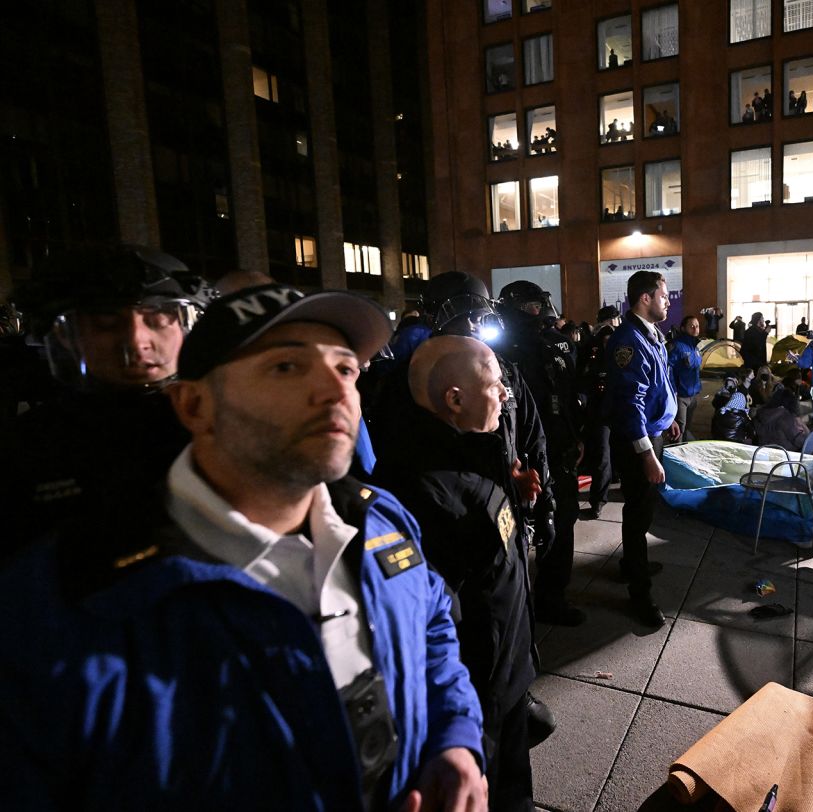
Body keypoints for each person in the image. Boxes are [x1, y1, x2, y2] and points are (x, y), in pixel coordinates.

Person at [1, 284, 489, 809]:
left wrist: (454, 739)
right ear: (194, 405)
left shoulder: (379, 520)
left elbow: (431, 622)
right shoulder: (69, 600)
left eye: (346, 368)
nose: (335, 391)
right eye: (286, 367)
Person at [374, 336, 540, 810]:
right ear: (455, 399)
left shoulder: (475, 450)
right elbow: (437, 622)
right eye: (496, 383)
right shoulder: (420, 492)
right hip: (475, 700)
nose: (506, 393)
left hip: (507, 674)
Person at [4, 245, 210, 549]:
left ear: (185, 325)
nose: (136, 341)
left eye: (159, 318)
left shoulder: (228, 426)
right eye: (105, 321)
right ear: (64, 334)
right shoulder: (25, 448)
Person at [495, 280, 587, 627]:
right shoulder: (498, 351)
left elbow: (568, 396)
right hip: (518, 458)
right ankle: (514, 602)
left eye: (540, 306)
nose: (539, 313)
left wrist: (576, 436)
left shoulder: (556, 344)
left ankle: (552, 597)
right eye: (531, 307)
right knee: (512, 533)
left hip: (557, 449)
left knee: (562, 523)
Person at [604, 271, 679, 628]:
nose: (669, 301)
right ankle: (639, 591)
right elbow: (629, 405)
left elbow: (657, 386)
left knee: (644, 510)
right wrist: (648, 454)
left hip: (653, 433)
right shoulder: (629, 341)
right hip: (639, 443)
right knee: (637, 516)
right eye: (664, 295)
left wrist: (668, 419)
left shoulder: (651, 335)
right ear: (645, 299)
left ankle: (630, 565)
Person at [580, 305, 623, 519]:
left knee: (616, 452)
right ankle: (598, 500)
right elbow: (583, 374)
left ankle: (612, 486)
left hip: (619, 405)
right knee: (603, 456)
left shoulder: (624, 340)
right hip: (601, 408)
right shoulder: (591, 344)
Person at [669, 313, 703, 442]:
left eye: (697, 326)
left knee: (687, 427)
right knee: (679, 430)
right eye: (692, 326)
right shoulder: (677, 346)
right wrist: (673, 391)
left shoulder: (695, 347)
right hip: (680, 397)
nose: (695, 329)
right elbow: (668, 369)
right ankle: (675, 455)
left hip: (693, 395)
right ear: (683, 328)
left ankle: (684, 450)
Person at [754, 385, 810, 452]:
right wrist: (803, 425)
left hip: (762, 454)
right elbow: (803, 442)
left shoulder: (762, 414)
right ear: (791, 403)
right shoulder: (784, 417)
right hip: (784, 457)